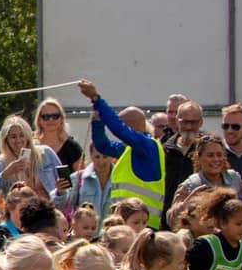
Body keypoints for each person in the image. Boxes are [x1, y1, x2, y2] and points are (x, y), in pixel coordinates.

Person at [79, 80, 166, 229]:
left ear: (130, 127)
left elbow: (118, 128)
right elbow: (103, 146)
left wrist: (96, 98)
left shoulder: (148, 146)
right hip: (126, 222)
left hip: (143, 225)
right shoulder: (130, 149)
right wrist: (98, 121)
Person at [34, 99, 83, 172]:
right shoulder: (32, 146)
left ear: (61, 119)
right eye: (46, 117)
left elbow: (81, 177)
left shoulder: (73, 147)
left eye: (55, 116)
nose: (51, 120)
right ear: (39, 120)